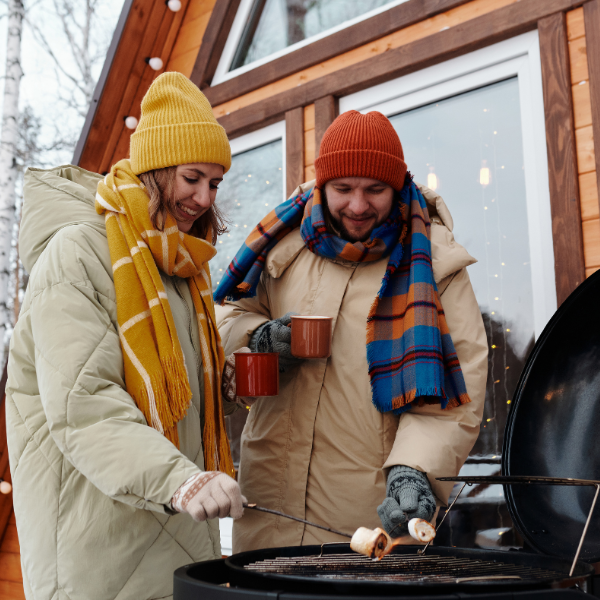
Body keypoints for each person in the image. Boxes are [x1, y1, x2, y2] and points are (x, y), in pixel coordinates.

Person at [5, 72, 246, 600]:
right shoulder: (78, 254)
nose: (203, 198)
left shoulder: (177, 266)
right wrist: (179, 480)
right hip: (97, 547)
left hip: (177, 536)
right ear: (155, 170)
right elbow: (83, 404)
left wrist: (230, 379)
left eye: (215, 183)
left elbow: (177, 399)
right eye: (191, 178)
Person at [214, 110, 488, 552]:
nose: (358, 206)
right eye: (343, 189)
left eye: (375, 190)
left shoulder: (437, 263)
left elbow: (458, 393)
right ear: (323, 186)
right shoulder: (281, 242)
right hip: (268, 509)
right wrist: (259, 340)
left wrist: (414, 470)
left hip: (368, 524)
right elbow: (226, 319)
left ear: (396, 187)